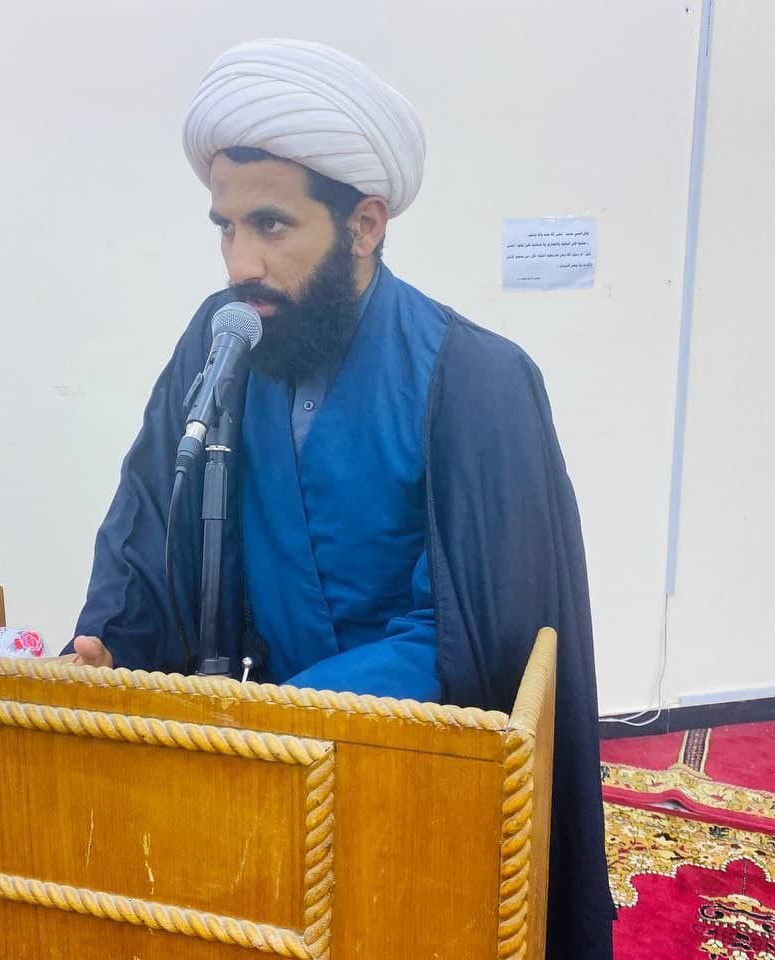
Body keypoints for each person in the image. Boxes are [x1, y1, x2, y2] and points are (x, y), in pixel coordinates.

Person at [61, 38, 613, 959]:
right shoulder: (225, 337)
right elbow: (153, 511)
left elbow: (469, 637)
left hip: (406, 766)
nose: (240, 261)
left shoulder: (476, 381)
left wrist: (282, 725)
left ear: (364, 224)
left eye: (271, 225)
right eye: (225, 227)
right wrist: (110, 638)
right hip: (267, 755)